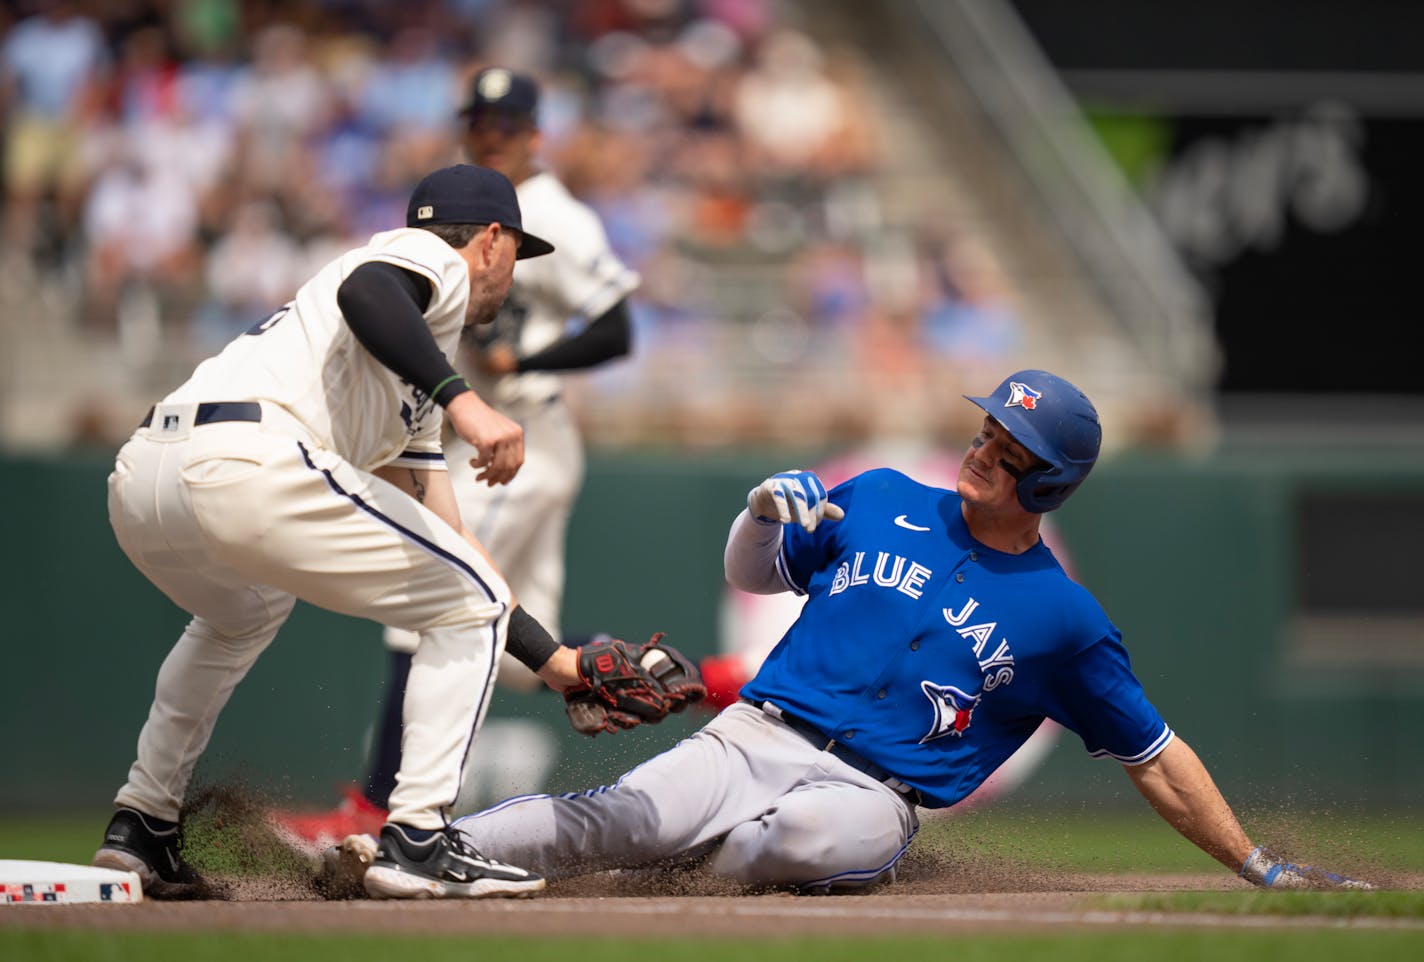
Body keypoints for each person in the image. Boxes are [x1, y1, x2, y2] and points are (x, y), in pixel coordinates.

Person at [330, 368, 1367, 894]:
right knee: (617, 815)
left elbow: (1153, 754)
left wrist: (1253, 862)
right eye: (983, 431)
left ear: (1047, 480)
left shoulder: (1063, 617)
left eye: (1007, 450)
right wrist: (756, 514)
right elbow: (750, 572)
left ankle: (699, 861)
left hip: (876, 793)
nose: (980, 451)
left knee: (797, 839)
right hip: (760, 731)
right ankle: (413, 848)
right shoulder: (875, 495)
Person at [92, 163, 618, 901]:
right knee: (458, 603)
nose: (509, 280)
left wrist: (553, 659)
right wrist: (468, 404)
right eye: (515, 259)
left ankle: (142, 821)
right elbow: (366, 290)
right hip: (246, 459)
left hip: (148, 478)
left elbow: (463, 563)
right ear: (491, 242)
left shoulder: (407, 386)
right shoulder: (427, 260)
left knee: (245, 613)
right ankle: (421, 838)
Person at [273, 67, 640, 847]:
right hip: (496, 440)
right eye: (480, 123)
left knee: (432, 594)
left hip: (516, 442)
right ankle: (660, 675)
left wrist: (524, 366)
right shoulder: (470, 209)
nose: (491, 135)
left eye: (505, 126)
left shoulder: (555, 219)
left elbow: (617, 331)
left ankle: (372, 812)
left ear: (535, 134)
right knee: (518, 651)